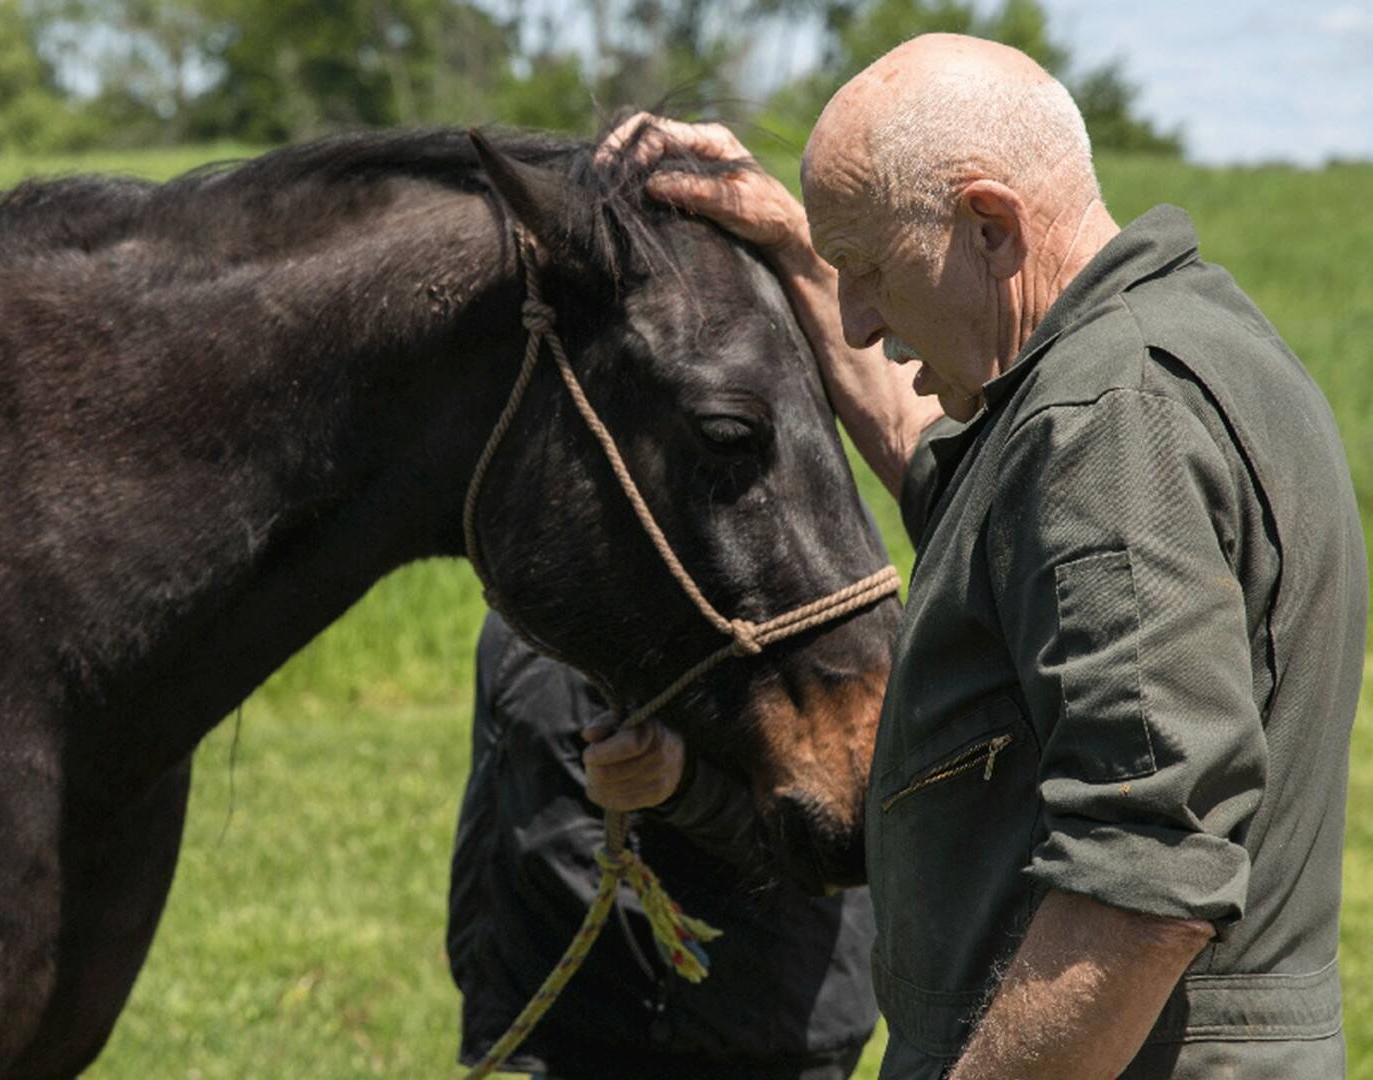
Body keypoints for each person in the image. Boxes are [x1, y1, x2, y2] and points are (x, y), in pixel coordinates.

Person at [579, 33, 1368, 1079]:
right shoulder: (1183, 346)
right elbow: (945, 466)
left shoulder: (1105, 423)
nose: (857, 322)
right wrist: (790, 241)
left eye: (868, 269)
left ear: (989, 226)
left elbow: (1146, 878)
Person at [448, 612, 878, 1080]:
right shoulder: (538, 576)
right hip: (591, 1015)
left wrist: (688, 784)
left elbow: (839, 827)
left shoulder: (774, 577)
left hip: (753, 1023)